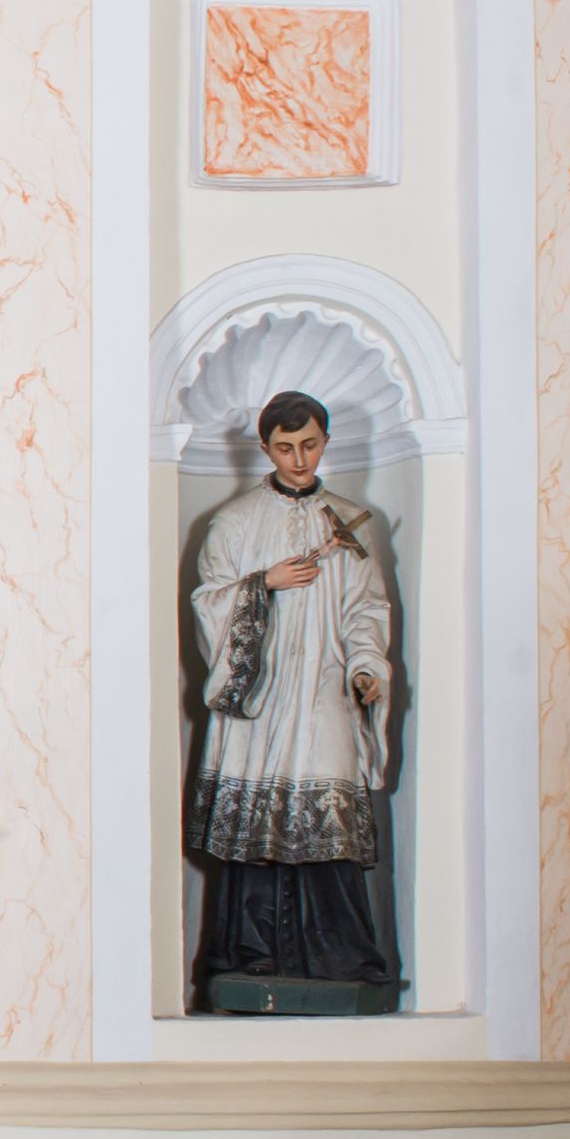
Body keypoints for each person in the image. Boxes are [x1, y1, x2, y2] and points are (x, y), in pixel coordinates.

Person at [185, 390, 397, 1007]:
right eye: (285, 447)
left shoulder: (352, 523)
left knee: (327, 813)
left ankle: (338, 957)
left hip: (324, 687)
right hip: (263, 700)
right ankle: (251, 954)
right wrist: (264, 583)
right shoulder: (235, 522)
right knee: (258, 821)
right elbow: (208, 604)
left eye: (309, 445)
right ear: (265, 447)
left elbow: (366, 609)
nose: (299, 459)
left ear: (325, 441)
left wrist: (366, 667)